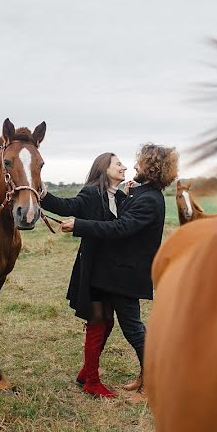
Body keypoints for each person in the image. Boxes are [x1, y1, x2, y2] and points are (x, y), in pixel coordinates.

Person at [60, 143, 178, 396]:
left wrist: (79, 225)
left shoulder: (149, 200)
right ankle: (125, 377)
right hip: (114, 274)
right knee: (105, 323)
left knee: (133, 328)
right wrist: (129, 192)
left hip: (126, 275)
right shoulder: (141, 193)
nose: (133, 166)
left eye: (139, 162)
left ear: (151, 167)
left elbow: (120, 228)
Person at [40, 152, 128, 398]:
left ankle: (85, 372)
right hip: (94, 272)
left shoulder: (120, 197)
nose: (124, 167)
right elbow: (65, 206)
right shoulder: (91, 194)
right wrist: (43, 193)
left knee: (108, 322)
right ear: (104, 169)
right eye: (119, 164)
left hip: (112, 272)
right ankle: (91, 381)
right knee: (97, 323)